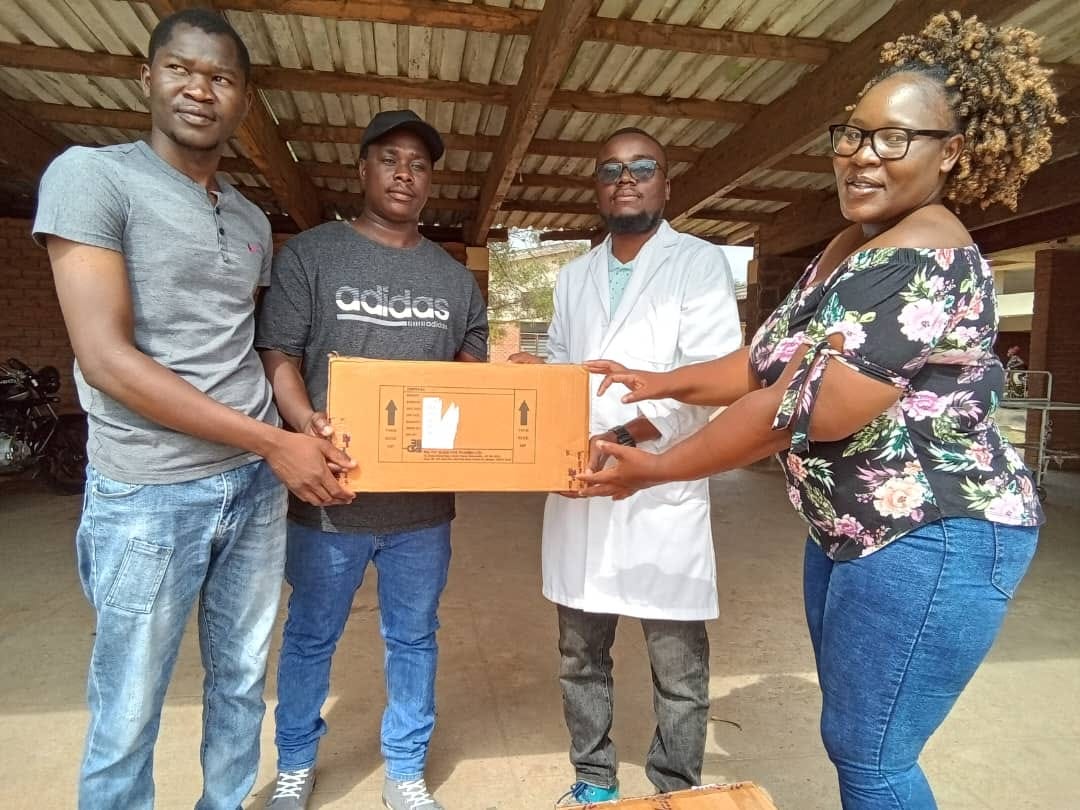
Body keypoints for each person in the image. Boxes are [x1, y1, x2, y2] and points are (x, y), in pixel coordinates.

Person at [577, 13, 1057, 810]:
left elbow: (807, 408)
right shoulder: (850, 245)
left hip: (933, 533)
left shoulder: (926, 255)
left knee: (874, 757)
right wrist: (660, 381)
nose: (863, 154)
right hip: (851, 529)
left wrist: (658, 469)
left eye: (894, 138)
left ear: (951, 151)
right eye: (853, 134)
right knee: (854, 738)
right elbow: (762, 361)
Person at [32, 9, 355, 810]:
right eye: (181, 69)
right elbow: (106, 361)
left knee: (241, 679)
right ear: (147, 78)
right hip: (149, 490)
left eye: (221, 78)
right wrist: (272, 441)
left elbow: (240, 346)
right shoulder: (91, 177)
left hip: (251, 489)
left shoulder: (247, 219)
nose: (200, 90)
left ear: (243, 100)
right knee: (129, 703)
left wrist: (299, 422)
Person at [255, 109, 488, 810]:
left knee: (413, 637)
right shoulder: (311, 256)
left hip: (422, 508)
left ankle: (405, 769)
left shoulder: (454, 279)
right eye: (389, 160)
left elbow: (472, 379)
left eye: (418, 165)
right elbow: (279, 355)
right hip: (330, 495)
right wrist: (304, 425)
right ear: (362, 169)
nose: (404, 175)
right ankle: (295, 763)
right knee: (311, 635)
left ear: (430, 181)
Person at [511, 127, 742, 805]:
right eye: (611, 170)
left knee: (678, 666)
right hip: (580, 481)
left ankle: (675, 790)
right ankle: (593, 780)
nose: (627, 178)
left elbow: (709, 382)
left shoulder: (697, 263)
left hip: (659, 479)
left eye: (643, 167)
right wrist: (534, 376)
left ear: (665, 184)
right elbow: (565, 368)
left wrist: (619, 435)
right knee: (580, 654)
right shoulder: (573, 275)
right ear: (598, 187)